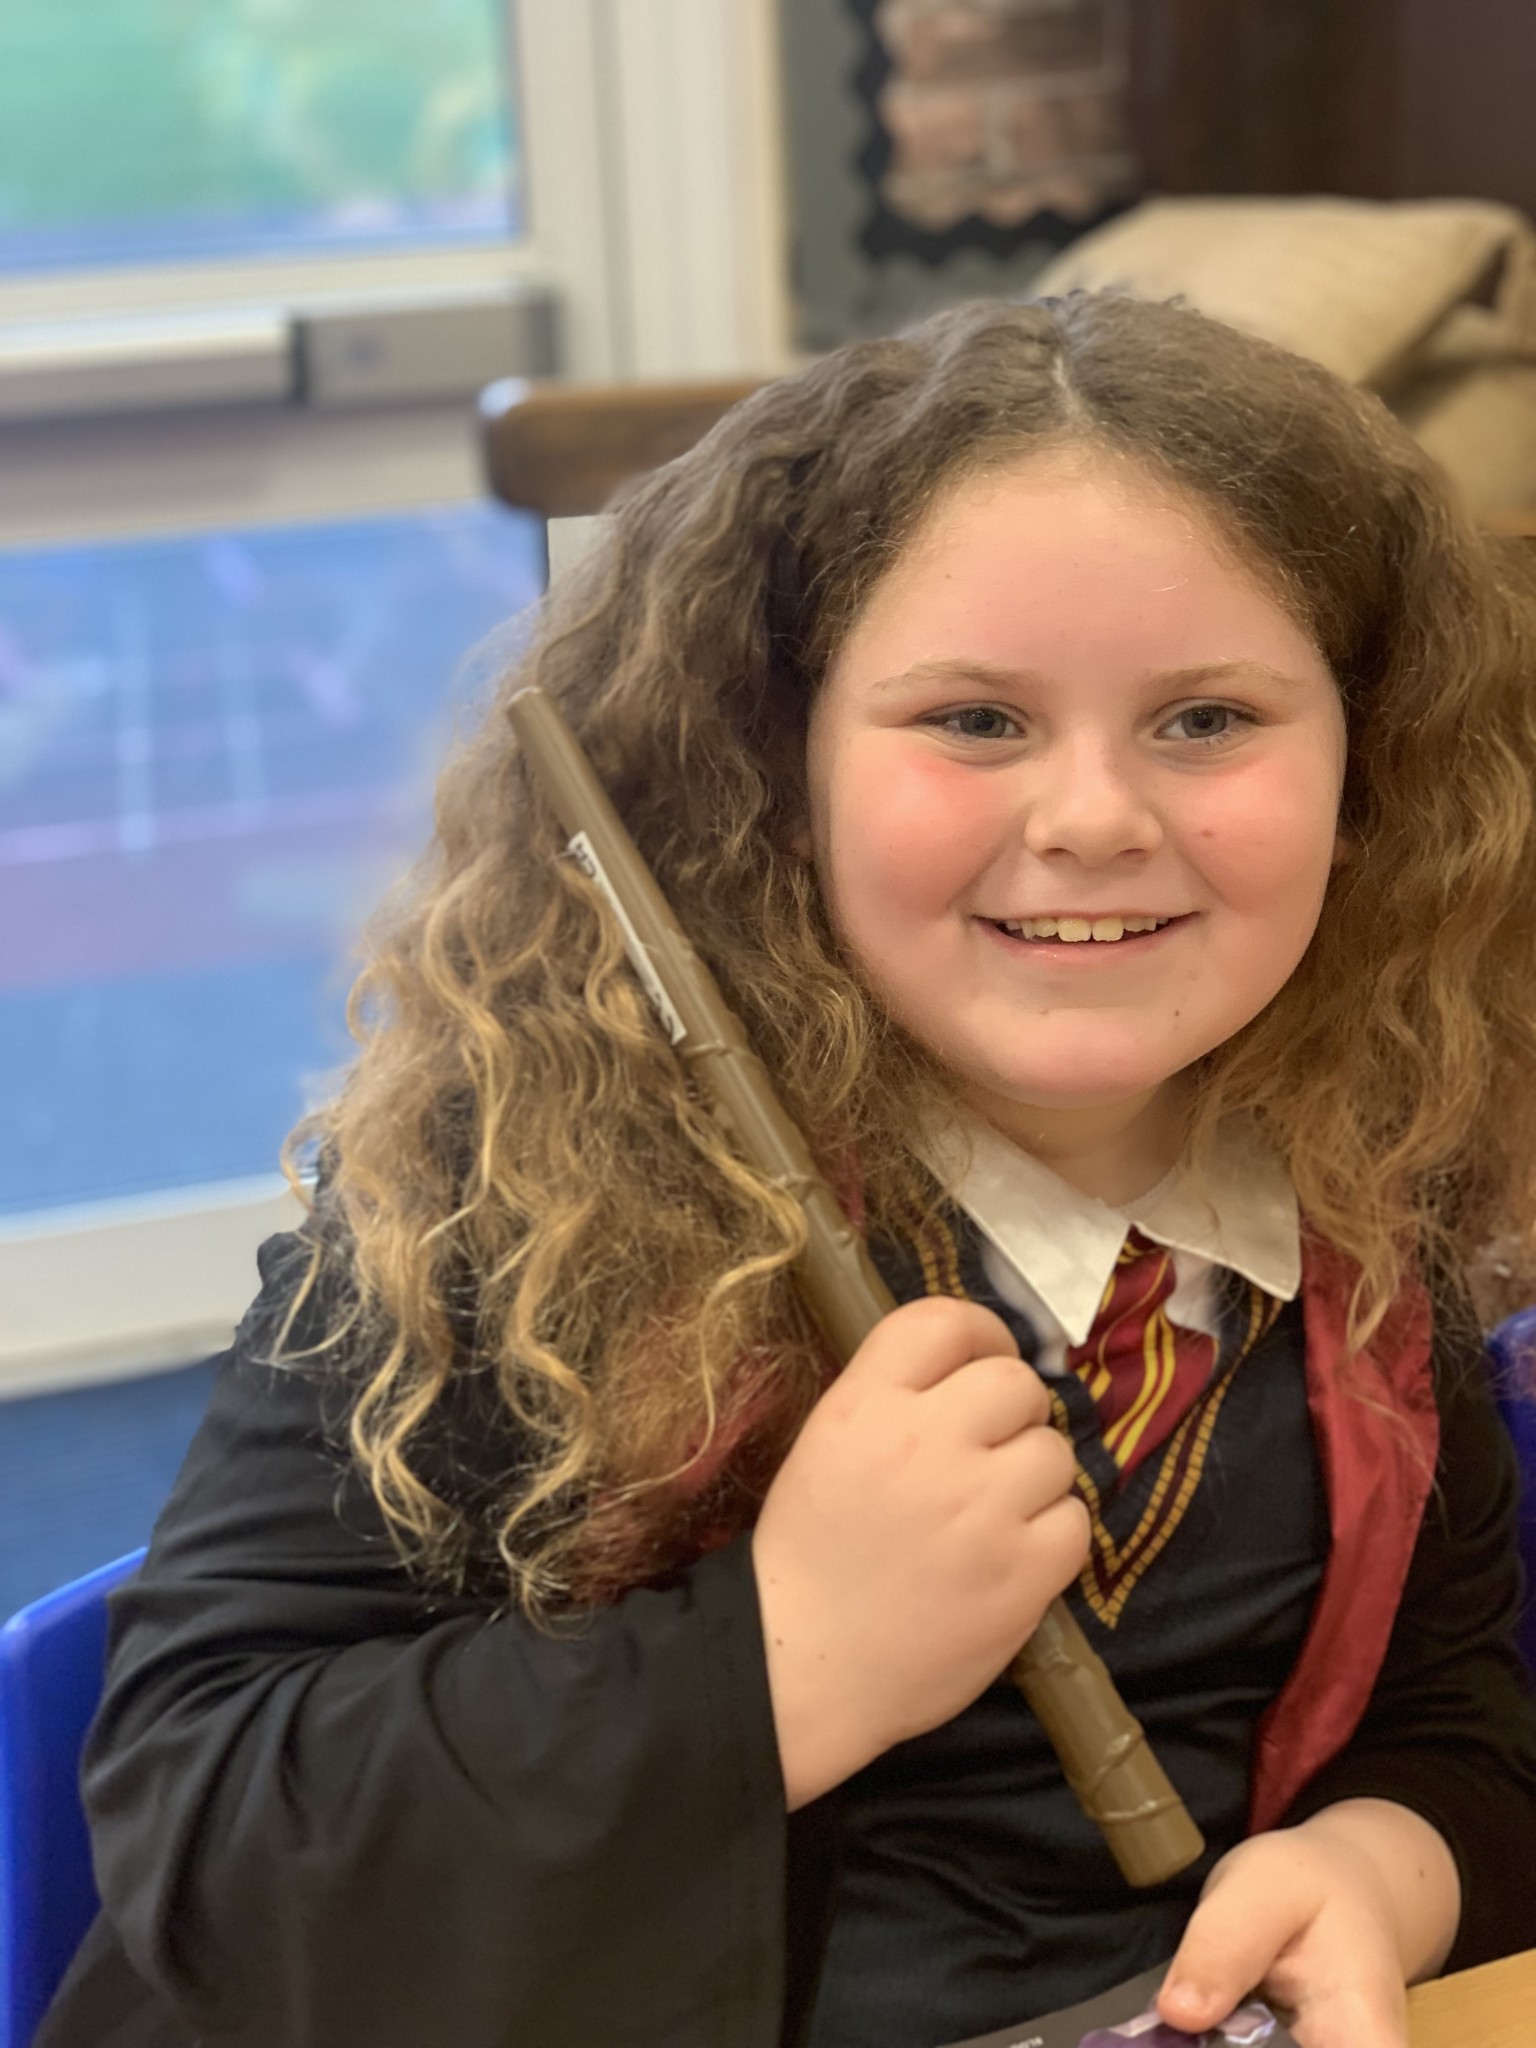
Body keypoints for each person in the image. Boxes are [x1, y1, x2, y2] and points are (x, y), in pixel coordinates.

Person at [41, 294, 1536, 2048]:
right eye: (973, 719)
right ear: (777, 766)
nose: (1094, 820)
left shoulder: (1376, 1190)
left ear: (1370, 767)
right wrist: (787, 1650)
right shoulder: (509, 1207)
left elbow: (1456, 1725)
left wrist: (1383, 1866)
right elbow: (214, 1855)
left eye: (1208, 720)